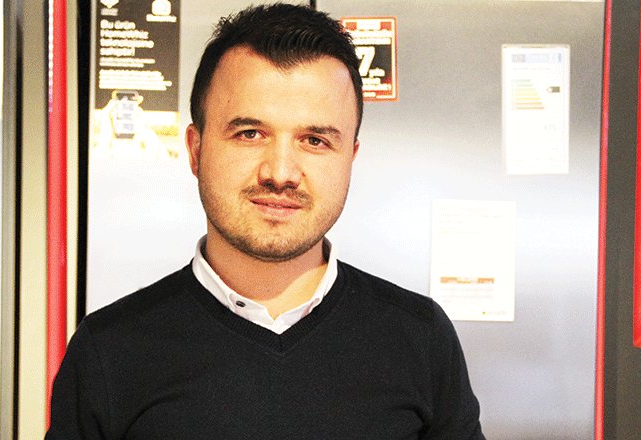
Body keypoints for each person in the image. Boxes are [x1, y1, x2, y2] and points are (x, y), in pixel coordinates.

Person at [46, 3, 484, 439]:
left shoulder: (421, 338)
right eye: (250, 134)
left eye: (315, 140)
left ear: (350, 157)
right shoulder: (108, 350)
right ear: (196, 150)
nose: (280, 172)